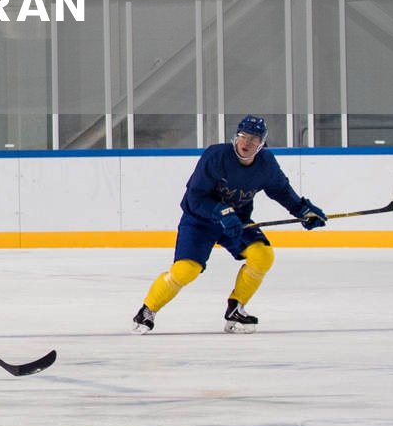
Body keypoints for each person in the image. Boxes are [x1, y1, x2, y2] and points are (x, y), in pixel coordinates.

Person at [132, 114, 327, 334]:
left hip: (236, 222)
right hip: (200, 221)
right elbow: (195, 197)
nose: (247, 143)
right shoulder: (216, 156)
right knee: (186, 270)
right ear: (236, 137)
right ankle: (147, 310)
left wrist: (303, 210)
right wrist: (222, 212)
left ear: (261, 144)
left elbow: (281, 190)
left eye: (254, 139)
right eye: (244, 136)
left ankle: (236, 307)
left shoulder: (266, 164)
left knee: (262, 255)